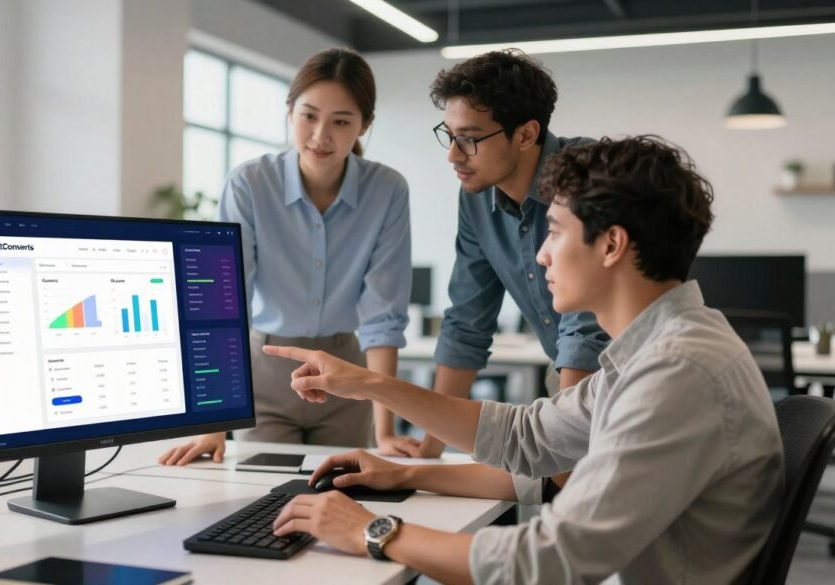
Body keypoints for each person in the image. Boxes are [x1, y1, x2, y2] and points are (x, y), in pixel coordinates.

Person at [264, 136, 784, 584]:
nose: (540, 254)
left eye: (555, 231)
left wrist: (373, 530)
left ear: (611, 245)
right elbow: (527, 437)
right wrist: (375, 400)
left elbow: (549, 560)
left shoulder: (678, 372)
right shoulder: (661, 348)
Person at [159, 48, 418, 466]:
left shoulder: (387, 190)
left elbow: (383, 318)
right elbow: (224, 306)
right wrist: (213, 425)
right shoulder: (249, 183)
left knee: (340, 498)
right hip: (266, 372)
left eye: (341, 121)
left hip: (345, 374)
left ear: (364, 125)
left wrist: (384, 430)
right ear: (290, 111)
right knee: (264, 507)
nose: (320, 136)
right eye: (309, 116)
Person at [402, 49, 610, 460]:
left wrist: (564, 445)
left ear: (526, 134)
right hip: (565, 382)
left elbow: (586, 328)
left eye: (470, 138)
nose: (453, 155)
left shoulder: (589, 173)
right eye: (449, 134)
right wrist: (431, 447)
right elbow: (466, 322)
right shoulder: (476, 198)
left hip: (629, 384)